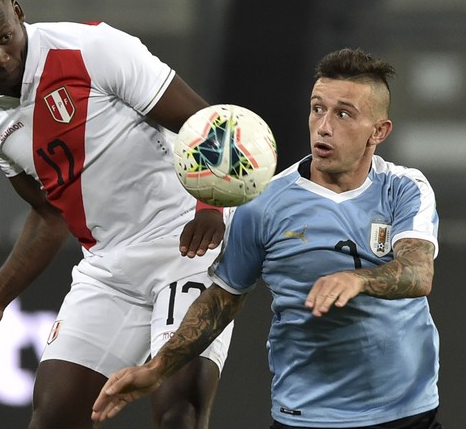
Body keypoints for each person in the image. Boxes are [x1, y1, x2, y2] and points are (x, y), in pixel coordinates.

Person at [0, 0, 233, 429]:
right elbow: (48, 215)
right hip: (109, 267)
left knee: (179, 411)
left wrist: (210, 203)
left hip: (188, 243)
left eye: (5, 38)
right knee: (54, 418)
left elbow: (208, 121)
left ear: (18, 13)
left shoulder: (92, 48)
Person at [92, 48, 443, 429]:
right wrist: (158, 368)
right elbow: (223, 300)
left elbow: (417, 273)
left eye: (343, 114)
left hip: (406, 415)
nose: (323, 126)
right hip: (306, 417)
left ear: (379, 131)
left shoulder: (404, 189)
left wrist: (357, 279)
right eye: (317, 108)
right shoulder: (265, 203)